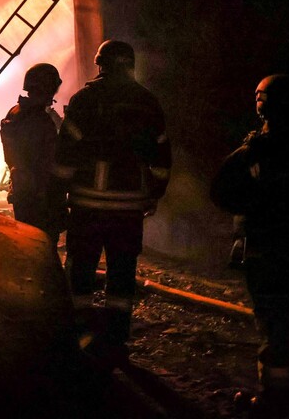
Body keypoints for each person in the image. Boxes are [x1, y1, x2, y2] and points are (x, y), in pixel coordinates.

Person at [210, 74, 289, 418]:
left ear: (264, 106)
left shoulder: (257, 151)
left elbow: (220, 191)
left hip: (267, 254)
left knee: (273, 325)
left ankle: (273, 400)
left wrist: (254, 202)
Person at [53, 40, 172, 365]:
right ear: (130, 64)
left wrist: (58, 193)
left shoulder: (84, 100)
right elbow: (161, 154)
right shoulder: (146, 102)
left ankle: (80, 334)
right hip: (129, 206)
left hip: (87, 204)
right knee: (122, 272)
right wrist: (155, 192)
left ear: (100, 64)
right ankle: (117, 339)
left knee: (81, 270)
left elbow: (66, 152)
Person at [0, 63, 65, 252]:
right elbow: (49, 158)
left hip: (21, 188)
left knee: (27, 243)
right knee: (43, 245)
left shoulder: (15, 111)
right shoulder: (41, 120)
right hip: (41, 195)